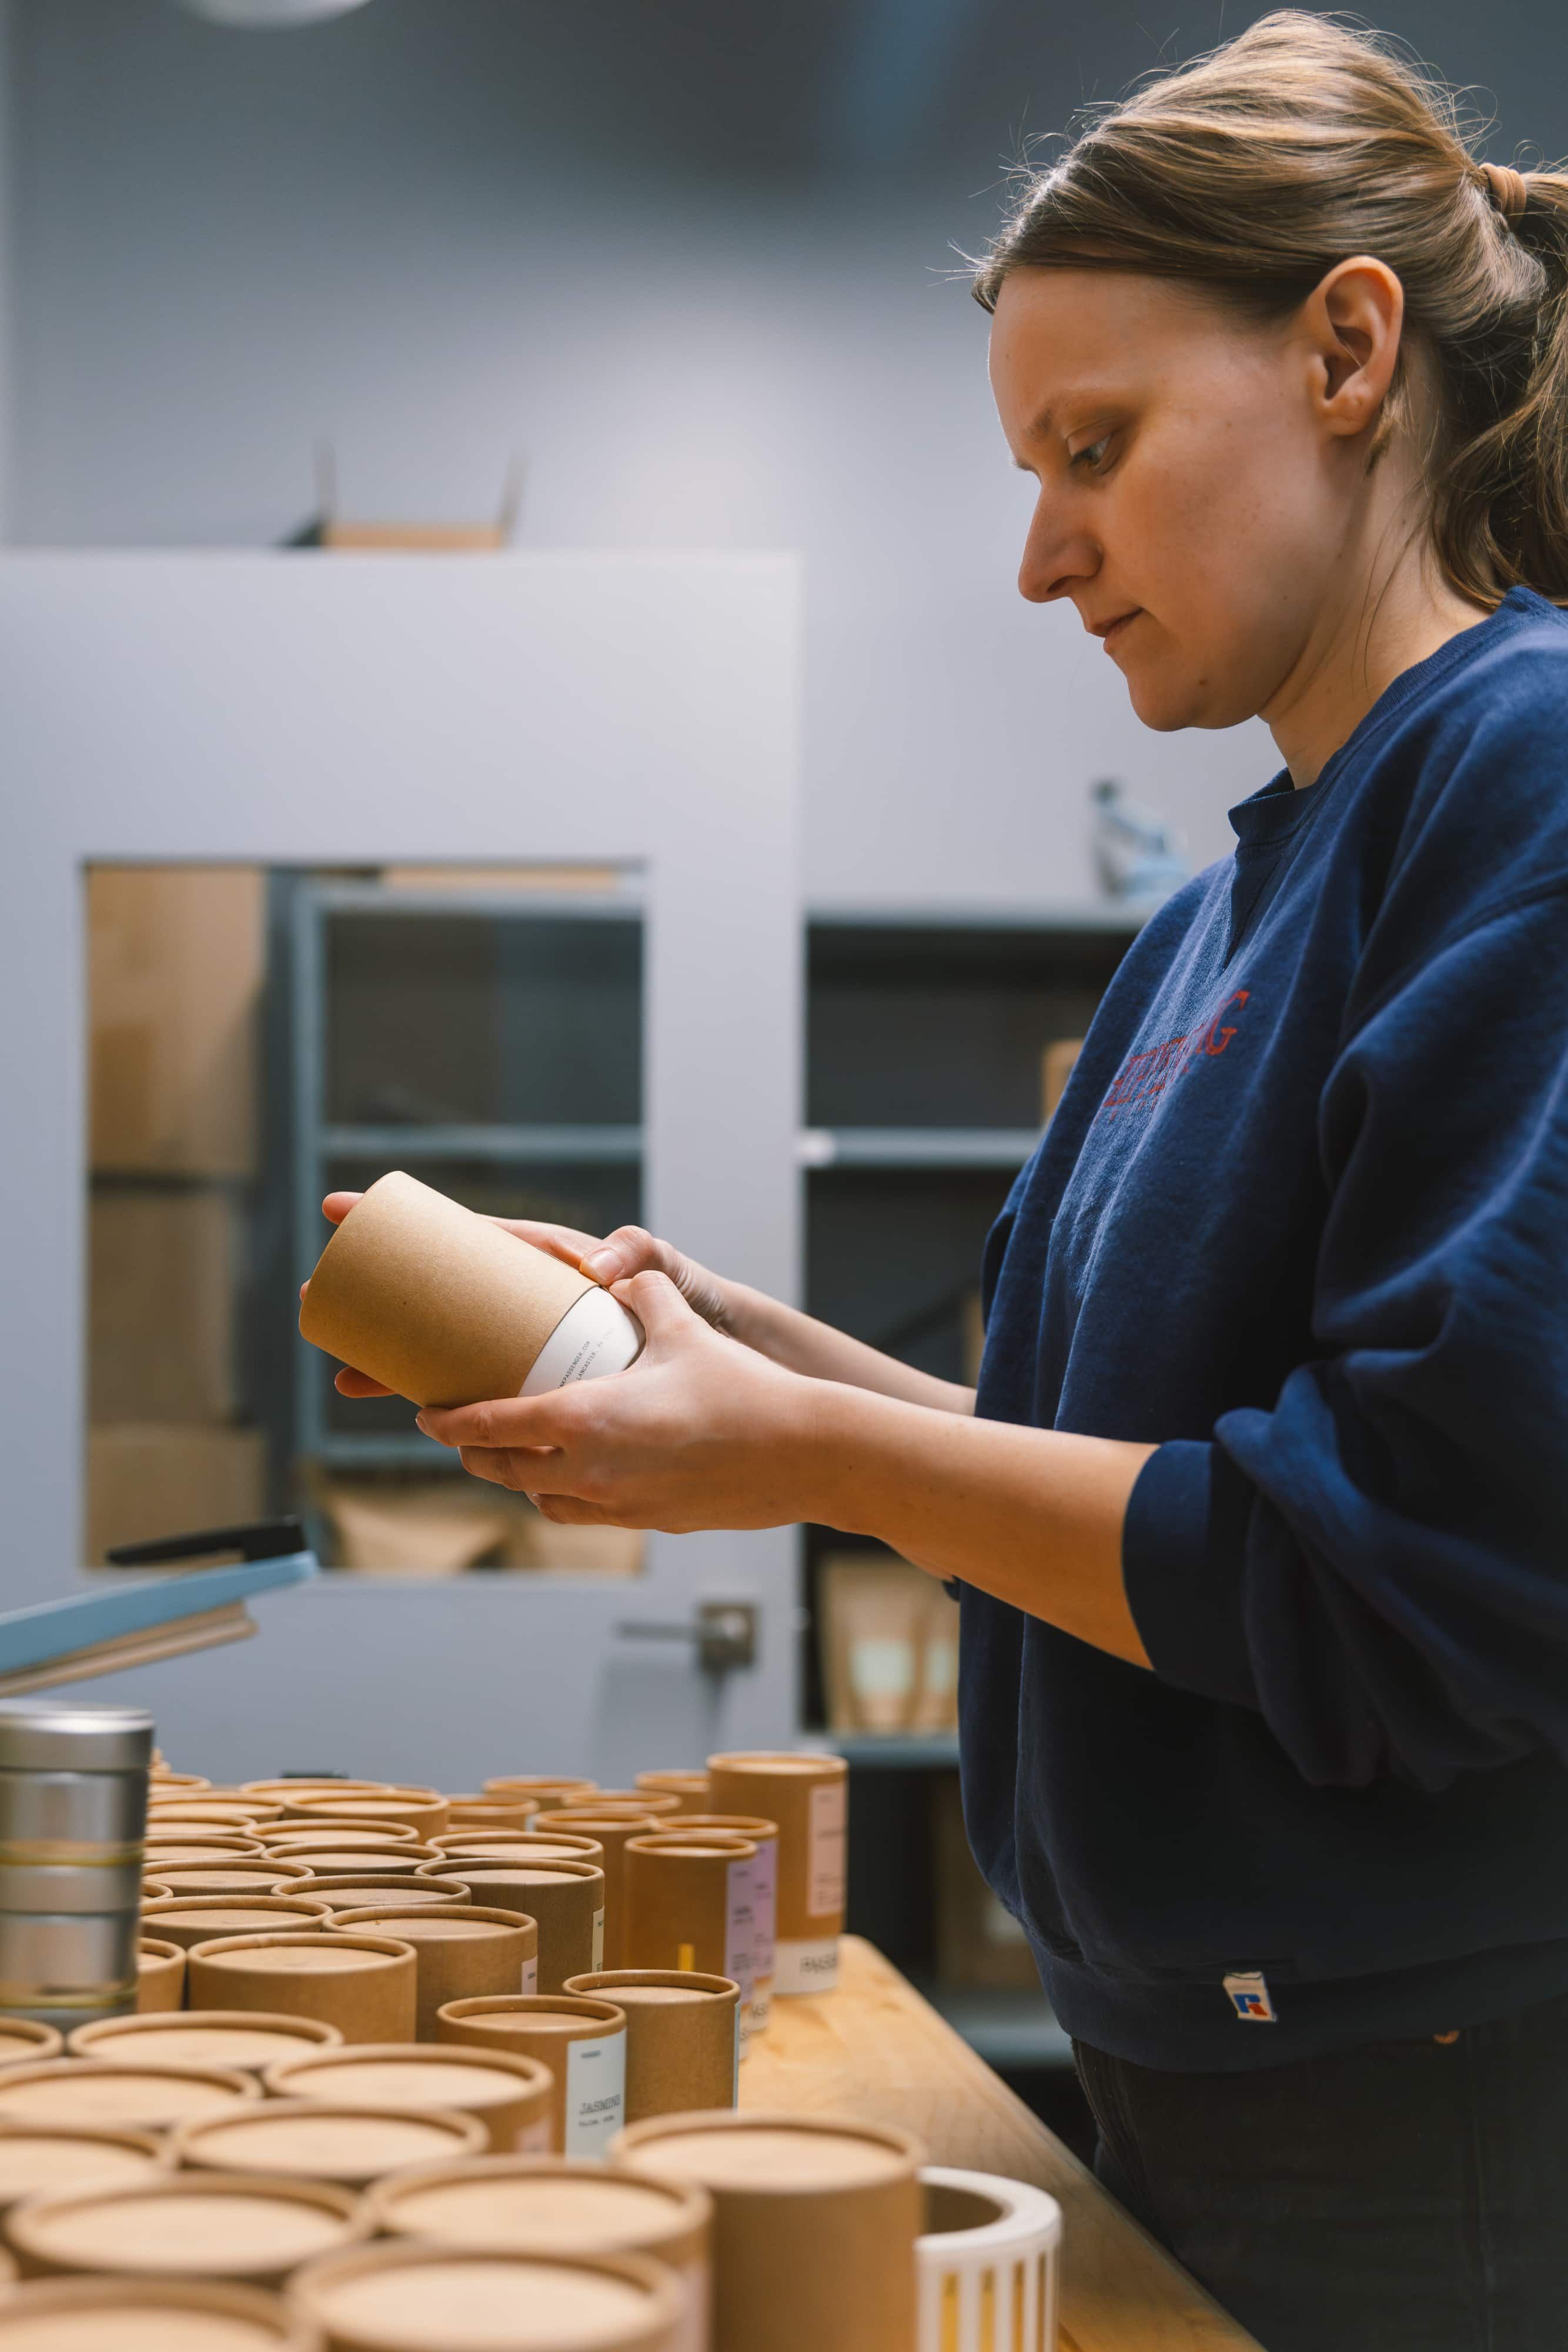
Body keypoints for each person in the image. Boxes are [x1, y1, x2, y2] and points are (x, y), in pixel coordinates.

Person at [320, 16, 1568, 2344]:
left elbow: (1412, 1575)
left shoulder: (1523, 775)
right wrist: (711, 1336)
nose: (1035, 555)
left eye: (1090, 447)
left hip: (1436, 2109)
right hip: (1205, 2063)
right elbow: (1044, 1456)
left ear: (1345, 348)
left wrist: (793, 1447)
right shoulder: (1219, 906)